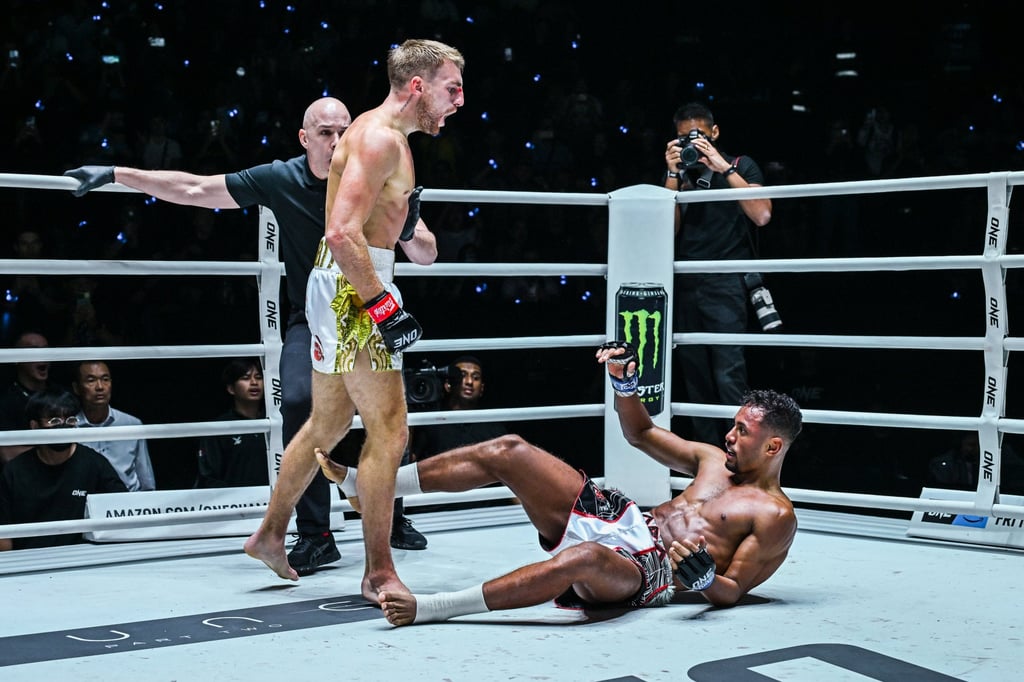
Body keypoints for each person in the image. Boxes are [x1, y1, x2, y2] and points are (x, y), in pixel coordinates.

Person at [64, 95, 430, 573]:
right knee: (300, 400)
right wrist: (117, 173)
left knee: (388, 412)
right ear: (305, 139)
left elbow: (427, 255)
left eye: (343, 131)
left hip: (368, 310)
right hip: (313, 314)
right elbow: (196, 189)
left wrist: (407, 225)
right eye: (325, 133)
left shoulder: (375, 170)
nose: (337, 142)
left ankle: (390, 515)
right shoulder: (282, 178)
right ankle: (315, 533)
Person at [315, 342, 802, 625]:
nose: (729, 435)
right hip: (627, 518)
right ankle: (366, 483)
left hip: (646, 569)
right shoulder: (713, 459)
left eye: (743, 431)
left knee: (583, 559)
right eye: (734, 425)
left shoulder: (774, 516)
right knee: (508, 450)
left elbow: (734, 588)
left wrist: (702, 579)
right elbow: (642, 432)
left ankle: (430, 608)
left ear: (773, 447)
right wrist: (624, 383)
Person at [244, 38, 464, 601]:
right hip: (354, 284)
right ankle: (379, 571)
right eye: (451, 87)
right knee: (390, 432)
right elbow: (342, 233)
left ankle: (270, 534)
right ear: (418, 86)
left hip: (343, 282)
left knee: (328, 424)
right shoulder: (378, 139)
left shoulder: (379, 135)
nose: (459, 100)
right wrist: (383, 306)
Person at [662, 102, 773, 444]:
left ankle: (741, 455)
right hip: (685, 281)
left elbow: (762, 215)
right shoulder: (680, 175)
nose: (692, 145)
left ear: (715, 132)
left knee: (729, 375)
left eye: (698, 136)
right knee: (694, 379)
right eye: (683, 138)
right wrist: (671, 175)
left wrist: (722, 167)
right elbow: (663, 231)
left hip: (726, 282)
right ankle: (707, 461)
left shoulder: (741, 166)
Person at [0, 387, 127, 550]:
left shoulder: (95, 464)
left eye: (70, 420)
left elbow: (122, 516)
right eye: (54, 421)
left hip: (83, 562)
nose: (63, 427)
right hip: (29, 564)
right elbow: (4, 537)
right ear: (35, 427)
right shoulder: (14, 472)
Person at [71, 360, 156, 492]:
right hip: (86, 503)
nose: (100, 386)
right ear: (77, 388)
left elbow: (147, 481)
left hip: (128, 504)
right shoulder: (70, 427)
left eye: (105, 379)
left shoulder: (131, 424)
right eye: (91, 380)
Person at [410, 354, 507, 461]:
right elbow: (410, 461)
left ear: (482, 388)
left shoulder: (494, 428)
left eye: (476, 378)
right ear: (448, 385)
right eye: (462, 375)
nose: (469, 382)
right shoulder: (431, 421)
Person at [195, 357, 269, 488]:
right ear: (231, 388)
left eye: (258, 377)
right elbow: (209, 477)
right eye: (245, 378)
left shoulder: (275, 423)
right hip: (235, 505)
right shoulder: (219, 428)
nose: (254, 383)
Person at [0, 330, 52, 462]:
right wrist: (54, 449)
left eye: (46, 350)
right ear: (17, 359)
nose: (42, 356)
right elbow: (6, 454)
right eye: (34, 350)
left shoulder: (61, 395)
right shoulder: (6, 402)